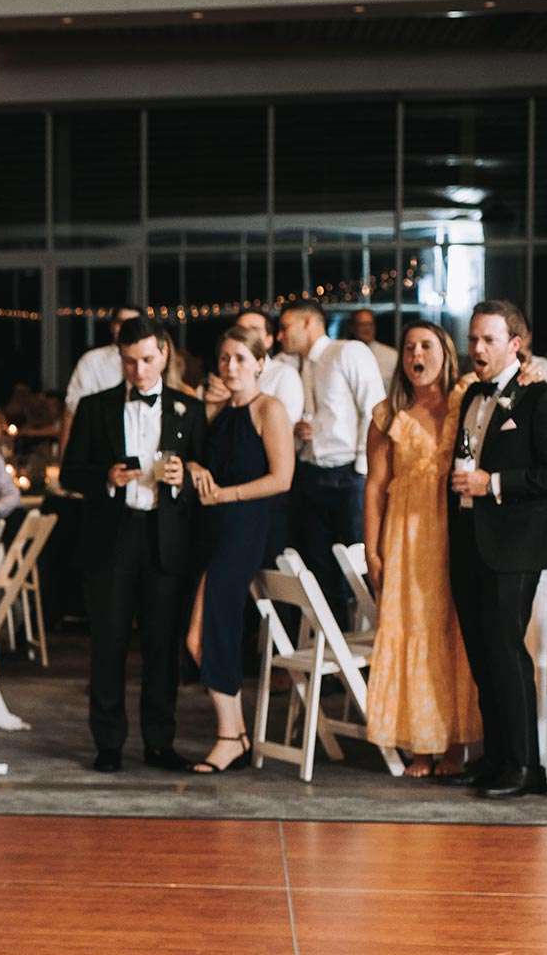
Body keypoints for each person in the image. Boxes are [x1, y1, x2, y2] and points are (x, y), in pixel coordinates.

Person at [443, 300, 547, 799]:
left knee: (506, 652)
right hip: (469, 540)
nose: (476, 348)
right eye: (473, 338)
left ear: (515, 345)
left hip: (514, 545)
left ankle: (525, 766)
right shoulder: (470, 397)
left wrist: (491, 482)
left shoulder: (543, 399)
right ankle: (496, 758)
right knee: (482, 654)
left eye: (489, 340)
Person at [61, 316, 205, 773]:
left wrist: (184, 479)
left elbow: (203, 472)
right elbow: (69, 473)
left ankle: (160, 742)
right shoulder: (94, 407)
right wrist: (104, 476)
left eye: (146, 360)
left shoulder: (188, 408)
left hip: (164, 538)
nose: (139, 370)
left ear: (164, 353)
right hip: (113, 534)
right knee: (108, 643)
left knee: (162, 645)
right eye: (129, 362)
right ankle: (108, 743)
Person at [363, 322, 482, 778]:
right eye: (410, 347)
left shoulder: (465, 400)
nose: (417, 353)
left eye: (426, 345)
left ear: (445, 354)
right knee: (415, 631)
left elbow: (515, 375)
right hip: (407, 538)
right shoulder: (387, 415)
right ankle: (422, 745)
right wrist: (372, 552)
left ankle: (455, 744)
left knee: (454, 631)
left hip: (456, 531)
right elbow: (374, 489)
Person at [181, 325, 295, 775]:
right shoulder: (219, 413)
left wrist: (225, 496)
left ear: (261, 364)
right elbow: (200, 461)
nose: (231, 367)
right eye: (225, 358)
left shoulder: (270, 409)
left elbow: (281, 479)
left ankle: (230, 738)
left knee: (210, 632)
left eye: (241, 359)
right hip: (215, 529)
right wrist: (192, 466)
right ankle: (236, 734)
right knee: (198, 638)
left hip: (248, 527)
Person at [280, 300, 386, 628]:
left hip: (347, 477)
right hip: (311, 474)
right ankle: (334, 660)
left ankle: (372, 658)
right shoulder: (299, 366)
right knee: (321, 570)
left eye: (286, 327)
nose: (280, 334)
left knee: (359, 569)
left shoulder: (347, 352)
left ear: (310, 323)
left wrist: (361, 472)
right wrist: (302, 431)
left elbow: (375, 409)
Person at [59, 305, 144, 457]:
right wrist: (64, 462)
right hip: (99, 449)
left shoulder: (153, 362)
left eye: (133, 323)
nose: (127, 328)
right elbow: (71, 412)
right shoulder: (92, 361)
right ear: (113, 326)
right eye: (121, 322)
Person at [348, 308, 399, 389]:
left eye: (370, 324)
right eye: (362, 324)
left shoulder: (392, 356)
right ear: (352, 328)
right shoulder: (345, 355)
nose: (367, 328)